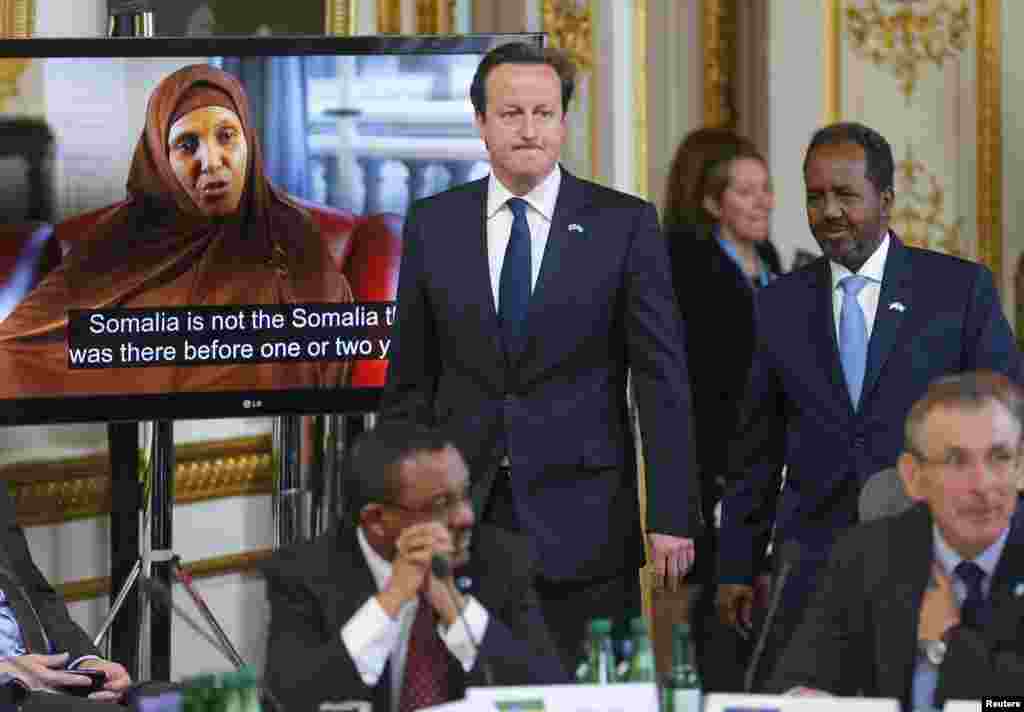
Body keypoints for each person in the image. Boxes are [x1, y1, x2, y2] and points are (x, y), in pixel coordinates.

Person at [381, 41, 700, 669]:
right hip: (462, 520)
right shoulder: (433, 223)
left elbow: (662, 380)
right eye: (511, 114)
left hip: (586, 525)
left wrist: (671, 514)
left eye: (545, 113)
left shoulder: (623, 224)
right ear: (480, 123)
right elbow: (409, 385)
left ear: (563, 121)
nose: (530, 131)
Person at [715, 121, 1024, 687]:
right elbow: (755, 449)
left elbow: (1009, 418)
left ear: (884, 200)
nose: (829, 210)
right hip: (811, 559)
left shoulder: (957, 292)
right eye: (815, 197)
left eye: (845, 195)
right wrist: (736, 563)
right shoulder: (778, 304)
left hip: (925, 555)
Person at [0, 63, 351, 399]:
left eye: (227, 136)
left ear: (250, 142)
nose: (212, 161)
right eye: (186, 145)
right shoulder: (119, 238)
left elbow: (337, 346)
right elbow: (17, 345)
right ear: (160, 161)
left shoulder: (291, 234)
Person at [261, 422, 568, 712]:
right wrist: (390, 600)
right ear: (377, 520)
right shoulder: (301, 573)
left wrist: (456, 610)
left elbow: (551, 697)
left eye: (464, 495)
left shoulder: (500, 559)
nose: (465, 517)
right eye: (440, 505)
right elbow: (289, 701)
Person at [768, 371, 1024, 709]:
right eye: (956, 461)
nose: (982, 484)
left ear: (1021, 468)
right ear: (914, 477)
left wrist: (946, 643)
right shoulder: (869, 553)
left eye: (1000, 458)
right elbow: (801, 681)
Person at [663, 128, 779, 692]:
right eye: (747, 192)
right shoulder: (689, 270)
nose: (764, 202)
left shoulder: (774, 260)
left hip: (778, 461)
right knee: (723, 616)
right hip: (718, 464)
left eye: (767, 189)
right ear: (713, 203)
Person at [0, 485, 132, 710]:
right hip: (10, 691)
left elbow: (36, 594)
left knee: (173, 702)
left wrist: (87, 661)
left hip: (50, 682)